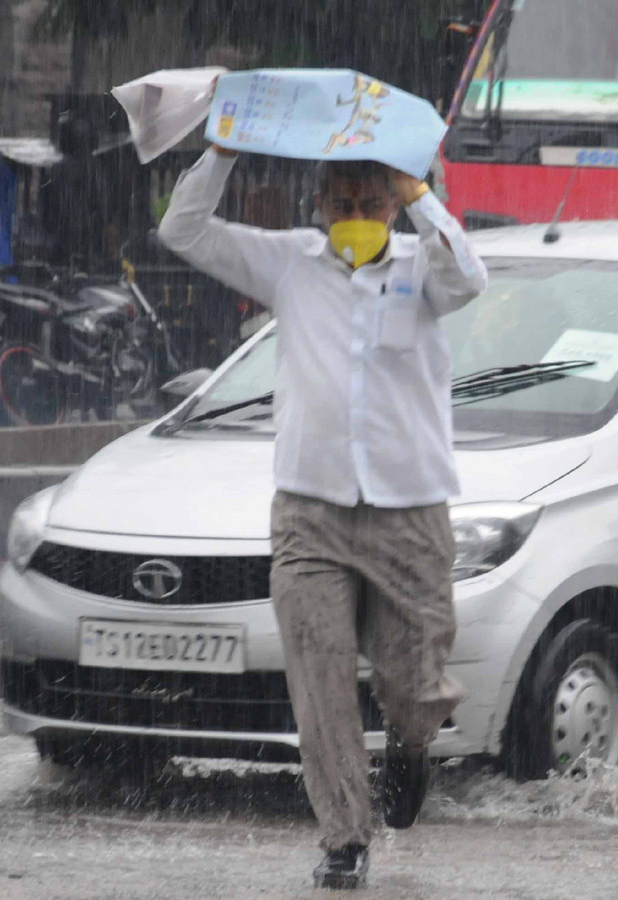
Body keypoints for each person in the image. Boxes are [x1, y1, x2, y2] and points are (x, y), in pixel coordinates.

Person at [157, 138, 488, 889]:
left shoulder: (421, 269)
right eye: (342, 204)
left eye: (372, 205)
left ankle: (409, 746)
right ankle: (344, 836)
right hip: (309, 515)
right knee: (320, 676)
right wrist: (223, 152)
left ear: (393, 208)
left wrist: (420, 195)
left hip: (409, 513)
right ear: (319, 206)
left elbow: (470, 277)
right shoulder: (290, 263)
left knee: (415, 684)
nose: (355, 217)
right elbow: (183, 230)